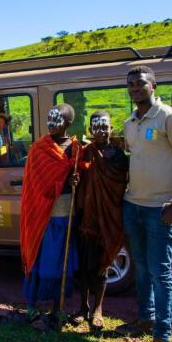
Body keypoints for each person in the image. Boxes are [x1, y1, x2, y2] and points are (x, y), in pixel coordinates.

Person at [116, 66, 172, 342]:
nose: (135, 88)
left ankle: (162, 335)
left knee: (160, 271)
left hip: (160, 209)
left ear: (153, 85)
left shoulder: (170, 117)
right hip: (133, 205)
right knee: (140, 268)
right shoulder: (130, 122)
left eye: (140, 83)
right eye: (131, 84)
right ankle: (145, 320)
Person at [20, 103, 87, 324]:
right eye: (49, 119)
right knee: (42, 260)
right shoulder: (39, 149)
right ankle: (32, 306)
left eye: (57, 120)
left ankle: (58, 308)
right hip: (44, 216)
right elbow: (36, 184)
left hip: (67, 212)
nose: (51, 124)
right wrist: (62, 181)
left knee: (64, 261)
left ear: (68, 123)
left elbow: (81, 170)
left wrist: (75, 177)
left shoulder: (75, 149)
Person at [72, 110, 128, 329]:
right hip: (87, 218)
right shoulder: (84, 153)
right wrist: (75, 178)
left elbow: (121, 185)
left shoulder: (119, 155)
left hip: (109, 217)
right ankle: (82, 307)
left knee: (103, 264)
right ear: (90, 131)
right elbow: (78, 178)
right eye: (97, 127)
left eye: (105, 127)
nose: (101, 131)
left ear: (111, 129)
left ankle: (98, 309)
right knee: (84, 266)